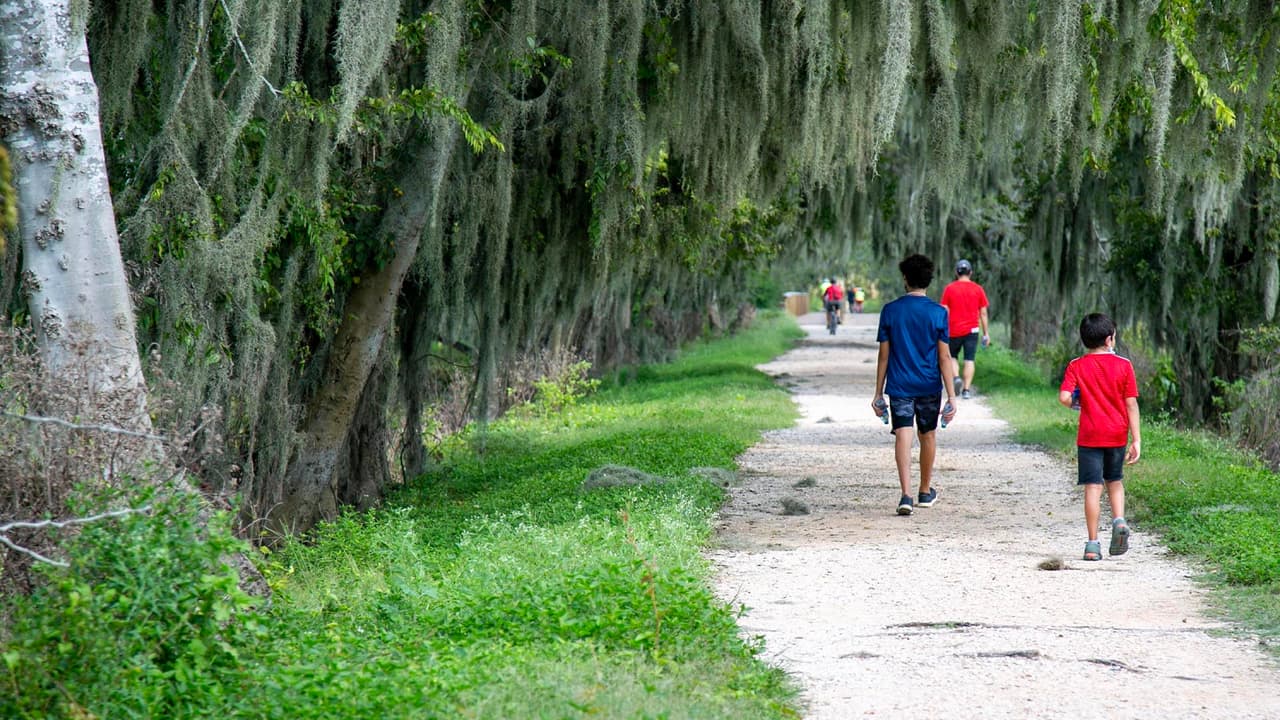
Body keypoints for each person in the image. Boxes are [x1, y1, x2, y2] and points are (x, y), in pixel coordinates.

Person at [873, 254, 958, 516]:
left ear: (905, 280)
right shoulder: (937, 312)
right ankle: (924, 491)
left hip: (899, 385)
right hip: (929, 385)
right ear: (928, 281)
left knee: (902, 434)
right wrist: (952, 397)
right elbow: (944, 356)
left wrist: (878, 393)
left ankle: (906, 495)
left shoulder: (890, 310)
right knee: (928, 434)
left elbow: (884, 355)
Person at [1057, 313, 1141, 561]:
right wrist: (1136, 439)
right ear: (1109, 339)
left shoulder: (1076, 365)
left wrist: (1077, 402)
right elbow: (1131, 404)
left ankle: (1093, 544)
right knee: (1114, 481)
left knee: (1093, 488)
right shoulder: (1124, 365)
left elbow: (1064, 397)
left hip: (1090, 436)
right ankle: (1119, 521)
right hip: (1117, 434)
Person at [939, 259, 990, 400]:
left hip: (953, 329)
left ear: (956, 272)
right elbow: (983, 313)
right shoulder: (978, 289)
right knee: (969, 359)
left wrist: (942, 327)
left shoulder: (950, 288)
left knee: (952, 356)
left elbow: (944, 309)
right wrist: (986, 333)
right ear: (971, 273)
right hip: (972, 330)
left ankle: (956, 377)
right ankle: (966, 390)